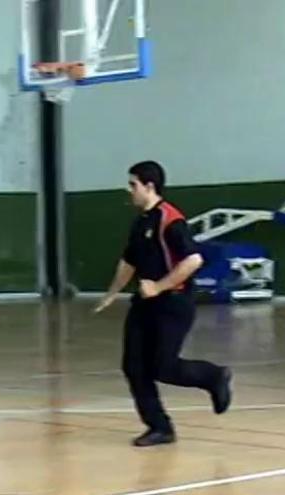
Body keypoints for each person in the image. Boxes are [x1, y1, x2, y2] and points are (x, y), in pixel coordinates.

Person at [95, 160, 232, 447]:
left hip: (174, 304)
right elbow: (128, 262)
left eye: (133, 184)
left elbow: (193, 260)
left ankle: (213, 376)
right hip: (144, 305)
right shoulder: (140, 222)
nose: (129, 190)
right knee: (133, 366)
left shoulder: (170, 220)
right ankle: (160, 427)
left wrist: (158, 286)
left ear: (149, 186)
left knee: (163, 367)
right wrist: (111, 293)